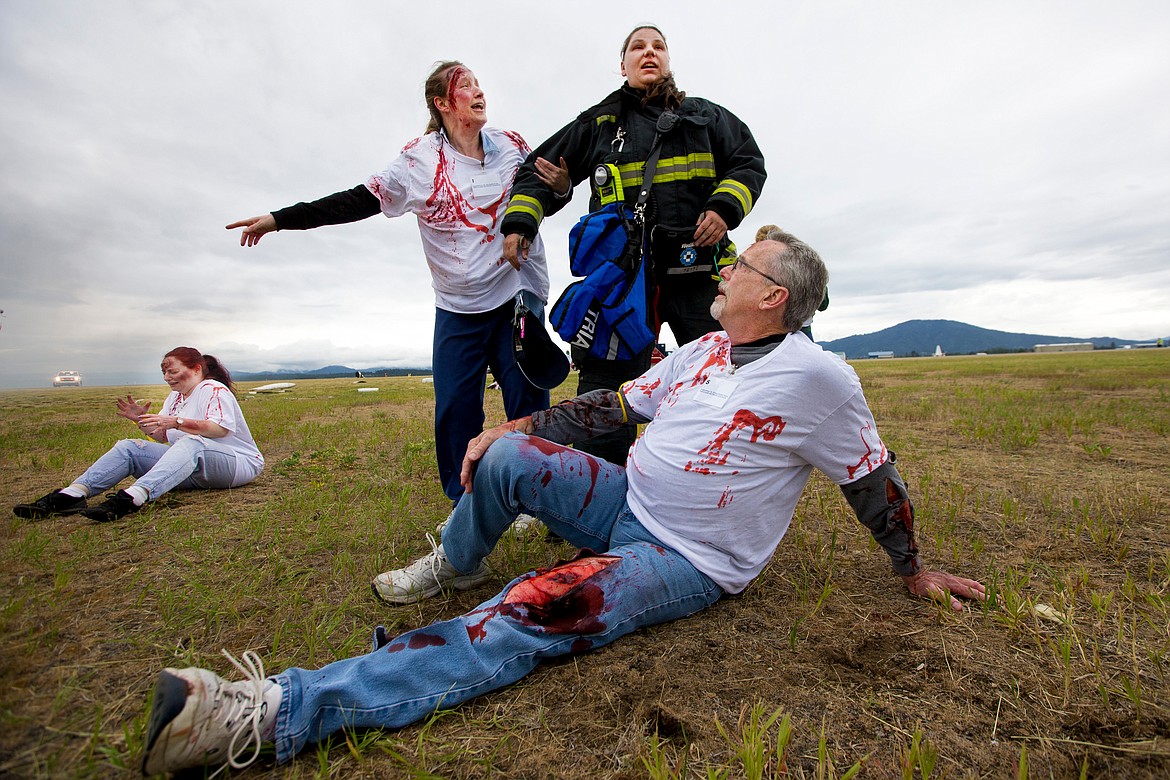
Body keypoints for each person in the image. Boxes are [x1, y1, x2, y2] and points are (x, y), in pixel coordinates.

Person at [138, 231, 986, 776]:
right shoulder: (708, 350)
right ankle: (451, 560)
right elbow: (617, 409)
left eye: (744, 266)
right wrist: (517, 424)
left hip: (684, 557)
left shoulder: (820, 379)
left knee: (529, 609)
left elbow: (872, 479)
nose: (726, 272)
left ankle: (271, 714)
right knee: (508, 456)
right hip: (627, 500)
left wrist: (913, 570)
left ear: (776, 296)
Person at [225, 61, 552, 514]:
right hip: (458, 307)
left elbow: (544, 192)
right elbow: (359, 200)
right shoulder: (419, 160)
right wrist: (282, 219)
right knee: (456, 409)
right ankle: (466, 505)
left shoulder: (512, 146)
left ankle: (537, 499)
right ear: (442, 104)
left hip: (516, 296)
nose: (480, 92)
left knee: (528, 399)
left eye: (480, 84)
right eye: (467, 87)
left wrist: (563, 188)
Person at [500, 25, 766, 465]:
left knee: (724, 377)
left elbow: (749, 162)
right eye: (638, 47)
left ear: (668, 59)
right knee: (606, 387)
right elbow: (539, 170)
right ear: (621, 65)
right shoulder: (599, 123)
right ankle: (591, 487)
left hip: (697, 274)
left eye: (658, 46)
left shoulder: (707, 117)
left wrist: (723, 209)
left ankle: (719, 479)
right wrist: (521, 222)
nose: (649, 53)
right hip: (623, 283)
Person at [13, 347, 263, 523]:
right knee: (129, 447)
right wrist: (142, 422)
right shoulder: (176, 397)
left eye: (173, 371)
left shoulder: (212, 389)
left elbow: (218, 429)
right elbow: (164, 437)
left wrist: (175, 421)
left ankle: (133, 498)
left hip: (238, 463)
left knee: (193, 443)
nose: (167, 378)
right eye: (164, 373)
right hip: (192, 467)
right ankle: (72, 495)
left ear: (196, 368)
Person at [756, 224, 829, 339]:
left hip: (772, 331)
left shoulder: (755, 269)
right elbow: (823, 304)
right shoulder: (807, 262)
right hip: (801, 328)